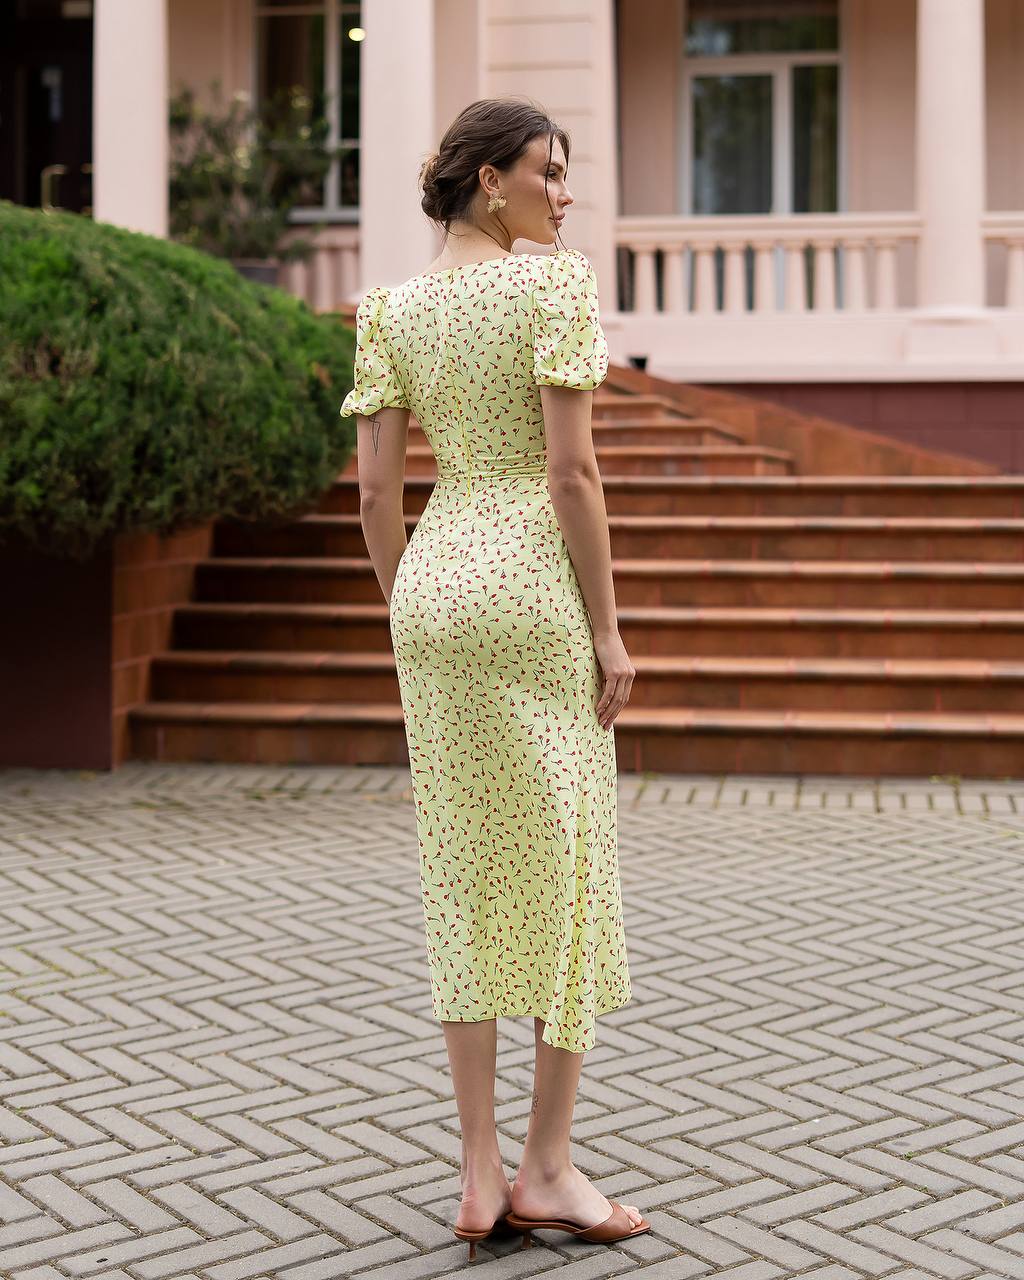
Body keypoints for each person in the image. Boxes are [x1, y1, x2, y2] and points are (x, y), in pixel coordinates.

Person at [339, 96, 647, 1261]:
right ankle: (548, 1166)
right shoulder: (551, 288)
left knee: (463, 869)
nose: (564, 197)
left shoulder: (390, 309)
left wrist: (408, 608)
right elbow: (572, 474)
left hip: (433, 584)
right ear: (486, 181)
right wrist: (610, 631)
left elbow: (373, 495)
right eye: (548, 173)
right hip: (528, 586)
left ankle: (475, 1177)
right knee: (568, 866)